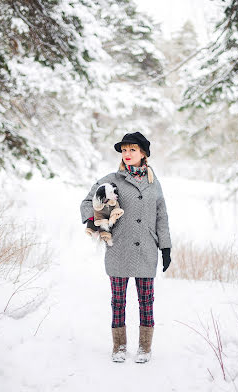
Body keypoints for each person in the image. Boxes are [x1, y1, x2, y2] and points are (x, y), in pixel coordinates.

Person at [80, 131, 172, 363]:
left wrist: (166, 247)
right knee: (118, 301)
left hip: (147, 249)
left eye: (132, 150)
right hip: (119, 247)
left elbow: (161, 216)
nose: (127, 154)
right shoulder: (111, 179)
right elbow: (87, 202)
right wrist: (95, 216)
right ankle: (119, 346)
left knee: (146, 300)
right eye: (124, 150)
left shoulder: (154, 183)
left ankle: (144, 347)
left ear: (143, 154)